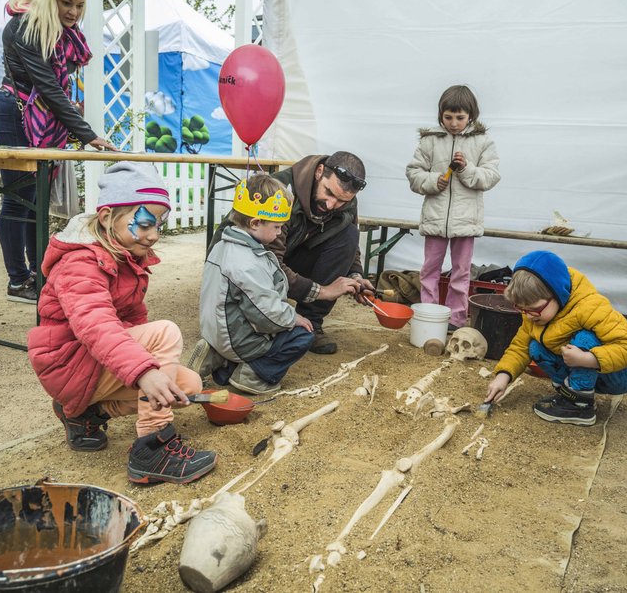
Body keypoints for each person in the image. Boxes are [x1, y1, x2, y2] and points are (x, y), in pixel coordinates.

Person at [27, 161, 216, 485]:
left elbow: (132, 320)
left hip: (89, 362)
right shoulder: (80, 262)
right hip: (67, 362)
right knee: (166, 333)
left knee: (187, 385)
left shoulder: (125, 254)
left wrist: (150, 367)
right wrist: (143, 370)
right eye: (144, 223)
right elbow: (96, 325)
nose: (154, 234)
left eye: (159, 224)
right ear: (106, 218)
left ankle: (86, 413)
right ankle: (153, 448)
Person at [0, 0, 115, 305]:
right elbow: (48, 88)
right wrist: (87, 134)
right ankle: (18, 281)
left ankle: (39, 275)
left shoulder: (62, 34)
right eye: (65, 3)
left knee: (36, 202)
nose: (73, 12)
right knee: (19, 199)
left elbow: (58, 90)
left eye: (79, 6)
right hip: (13, 112)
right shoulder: (24, 27)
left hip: (38, 118)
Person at [208, 152, 374, 355]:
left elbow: (350, 244)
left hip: (291, 255)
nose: (331, 205)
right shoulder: (279, 193)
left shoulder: (347, 202)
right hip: (255, 261)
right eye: (328, 193)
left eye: (341, 201)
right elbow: (270, 262)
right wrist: (324, 291)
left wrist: (355, 276)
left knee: (349, 234)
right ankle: (270, 325)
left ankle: (311, 322)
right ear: (319, 172)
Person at [483, 250, 627, 426]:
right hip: (588, 368)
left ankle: (579, 405)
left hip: (620, 374)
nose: (529, 316)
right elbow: (520, 345)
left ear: (557, 294)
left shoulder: (590, 306)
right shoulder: (533, 312)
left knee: (585, 338)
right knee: (534, 346)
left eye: (534, 309)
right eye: (521, 309)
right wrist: (503, 375)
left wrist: (589, 359)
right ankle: (569, 394)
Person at [192, 174, 315, 394]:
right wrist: (293, 317)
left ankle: (216, 356)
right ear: (255, 223)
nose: (280, 233)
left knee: (279, 318)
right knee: (302, 335)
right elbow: (265, 313)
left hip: (216, 329)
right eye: (277, 227)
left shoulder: (223, 245)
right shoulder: (246, 262)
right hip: (236, 339)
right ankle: (251, 376)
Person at [405, 84, 500, 331]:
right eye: (448, 117)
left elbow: (490, 176)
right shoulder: (430, 142)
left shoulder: (483, 142)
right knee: (429, 270)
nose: (454, 123)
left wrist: (466, 168)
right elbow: (414, 173)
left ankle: (456, 320)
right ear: (440, 115)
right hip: (435, 219)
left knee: (461, 272)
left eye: (460, 117)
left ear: (471, 116)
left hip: (466, 221)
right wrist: (434, 181)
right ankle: (428, 316)